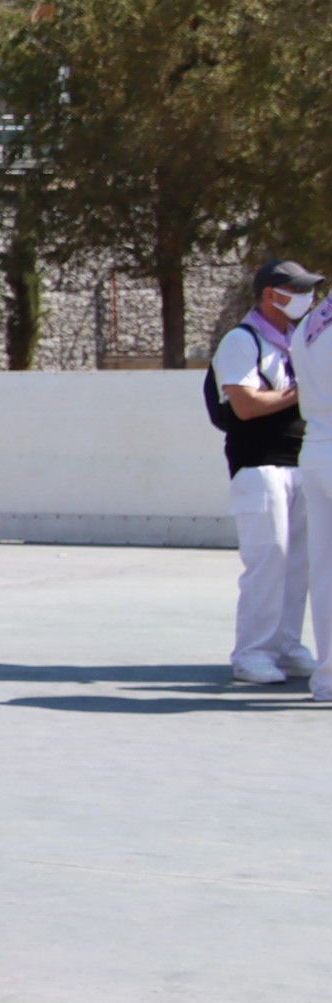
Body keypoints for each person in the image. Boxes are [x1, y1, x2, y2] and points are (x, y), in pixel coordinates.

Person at [213, 259, 316, 685]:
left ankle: (287, 645)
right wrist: (299, 391)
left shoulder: (298, 341)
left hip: (300, 463)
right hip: (258, 466)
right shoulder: (242, 340)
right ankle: (252, 652)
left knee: (298, 564)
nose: (308, 298)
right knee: (268, 559)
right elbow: (246, 405)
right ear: (272, 294)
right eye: (299, 290)